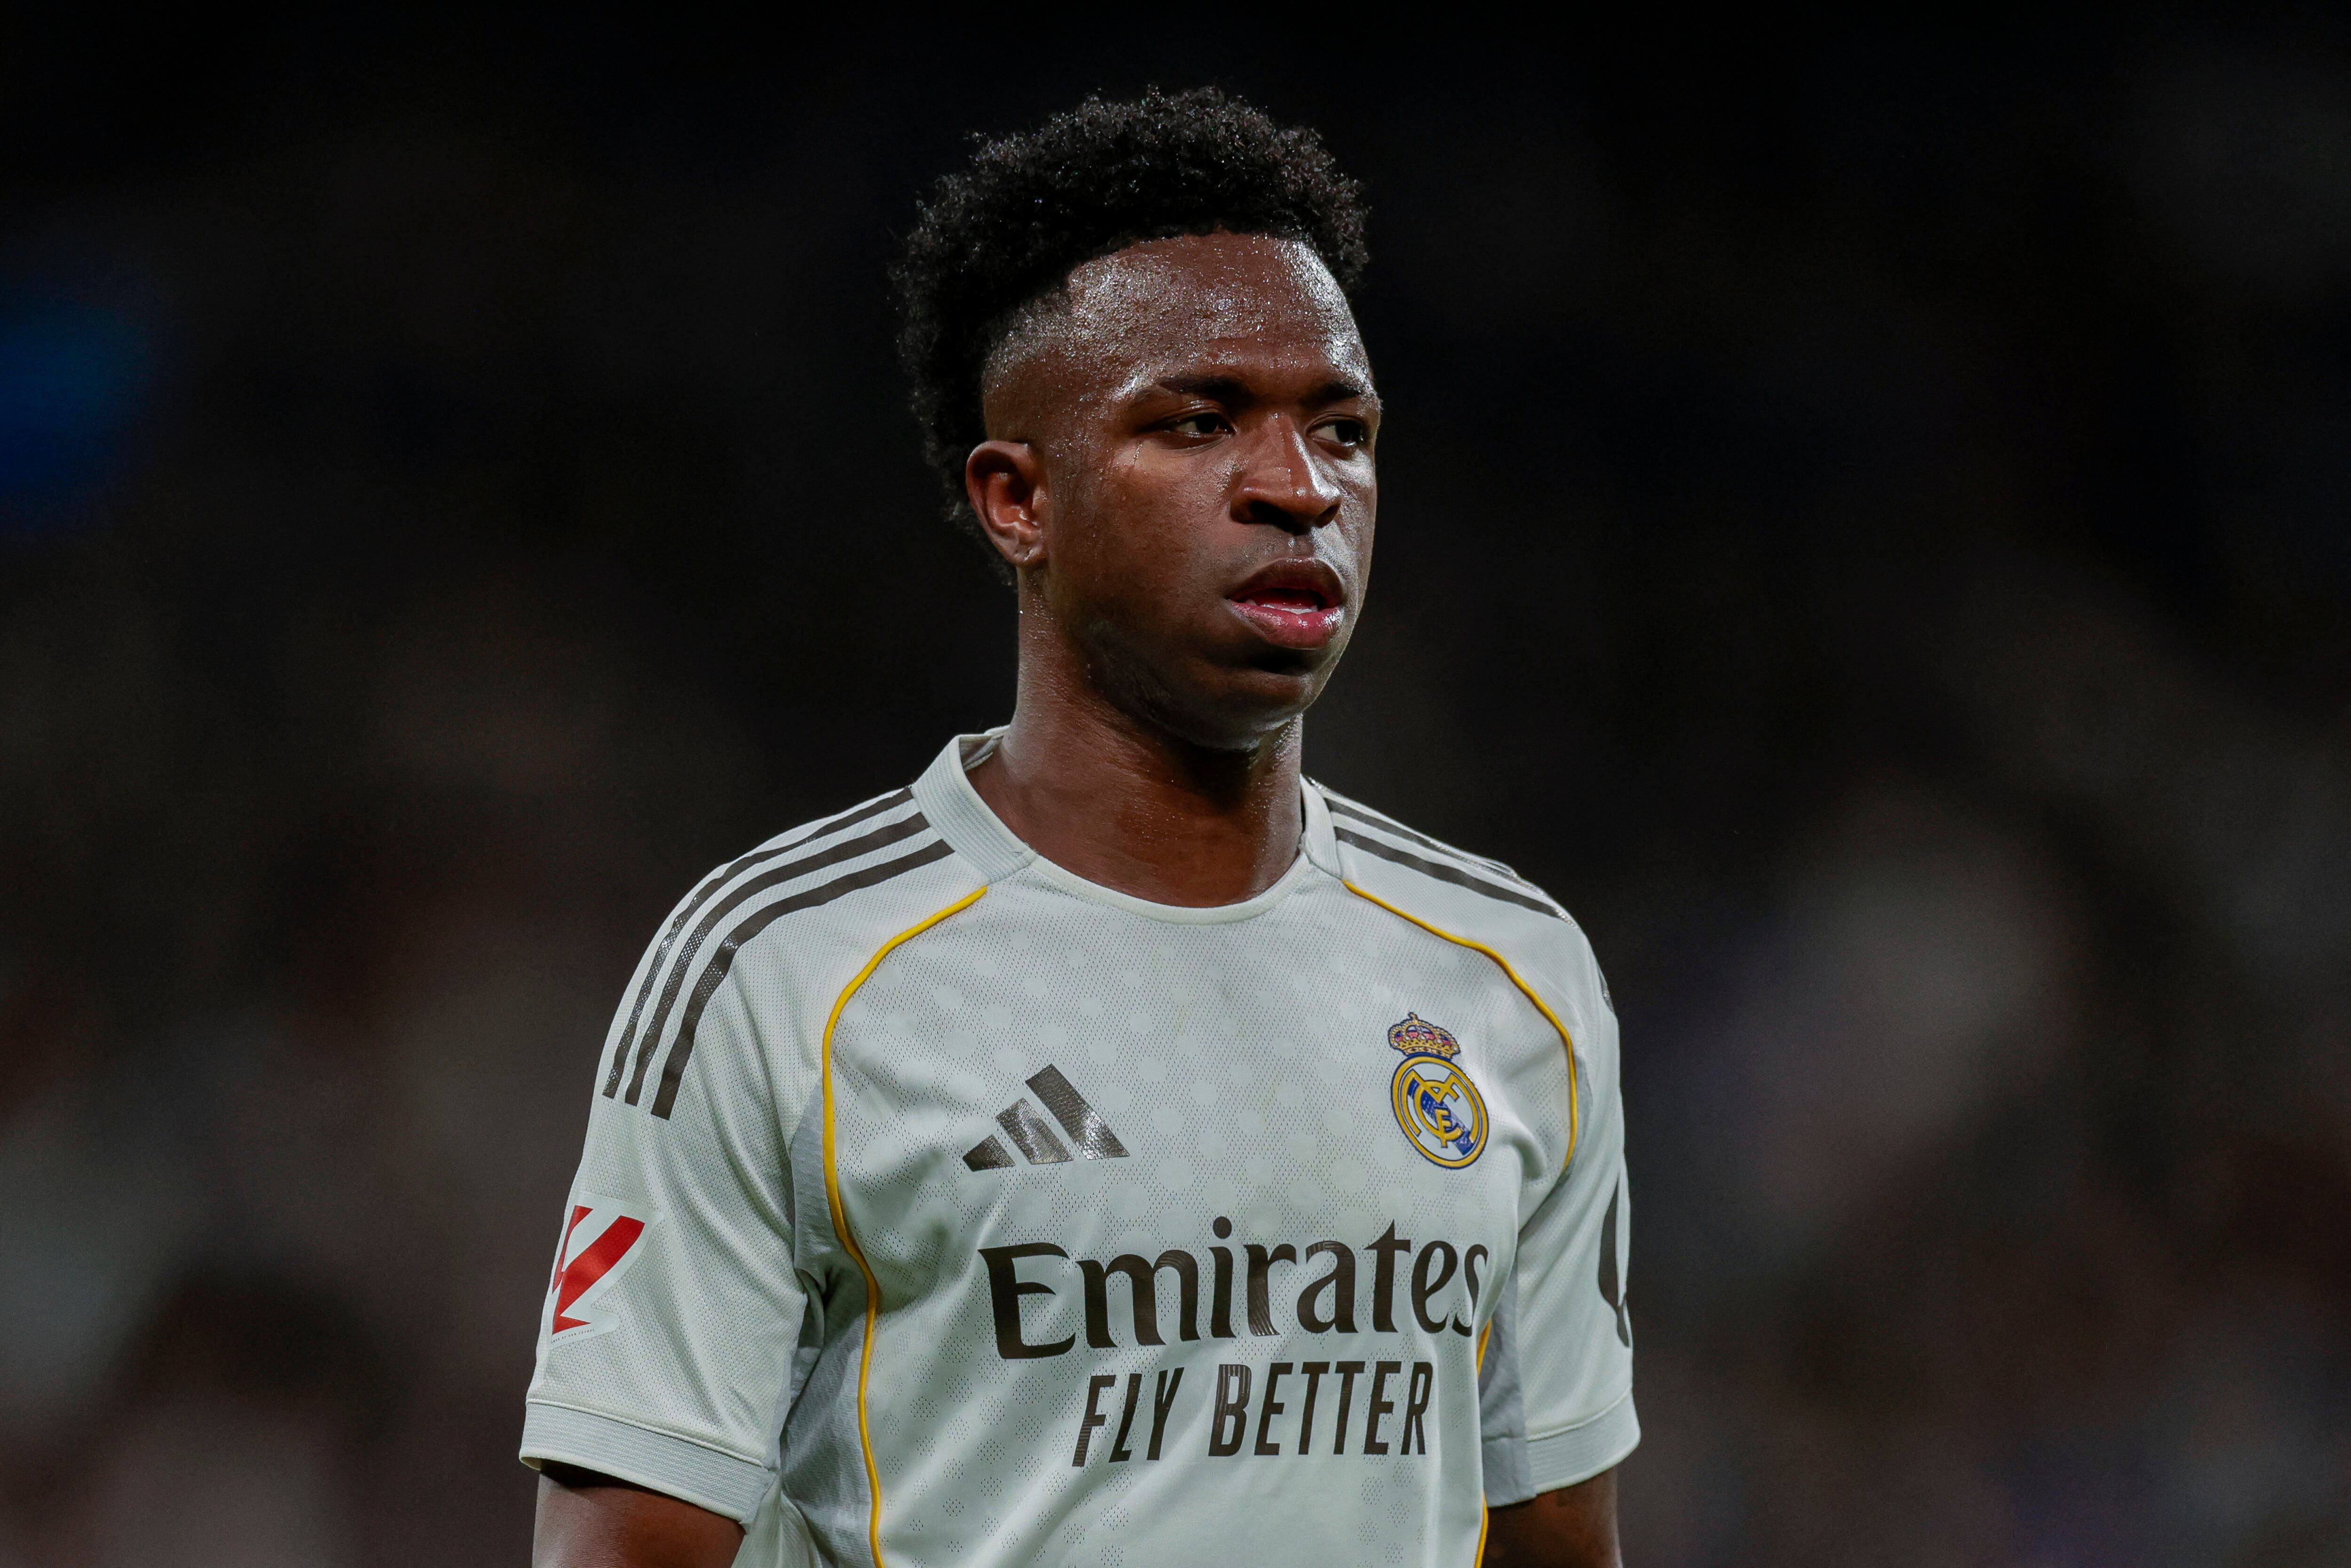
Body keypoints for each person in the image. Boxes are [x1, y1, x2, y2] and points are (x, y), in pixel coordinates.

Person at [523, 87, 1634, 1568]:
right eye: (1200, 422)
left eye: (1344, 430)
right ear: (1017, 500)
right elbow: (624, 1548)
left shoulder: (1511, 973)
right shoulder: (783, 973)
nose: (1300, 489)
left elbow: (1556, 1540)